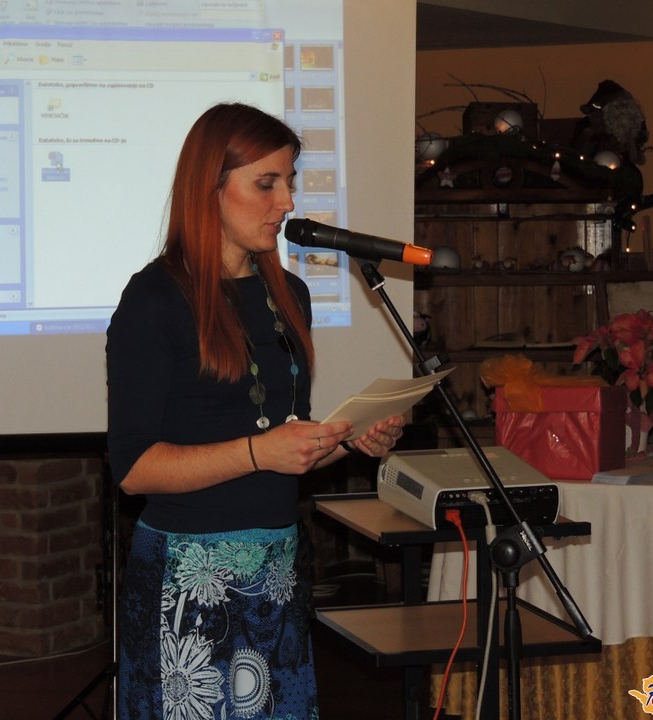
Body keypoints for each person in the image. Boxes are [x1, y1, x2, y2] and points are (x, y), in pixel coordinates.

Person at [106, 102, 405, 720]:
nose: (286, 202)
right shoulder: (154, 299)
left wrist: (348, 441)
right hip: (190, 576)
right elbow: (133, 469)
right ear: (210, 189)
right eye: (266, 183)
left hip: (276, 568)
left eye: (289, 182)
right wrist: (257, 452)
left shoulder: (288, 294)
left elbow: (286, 446)